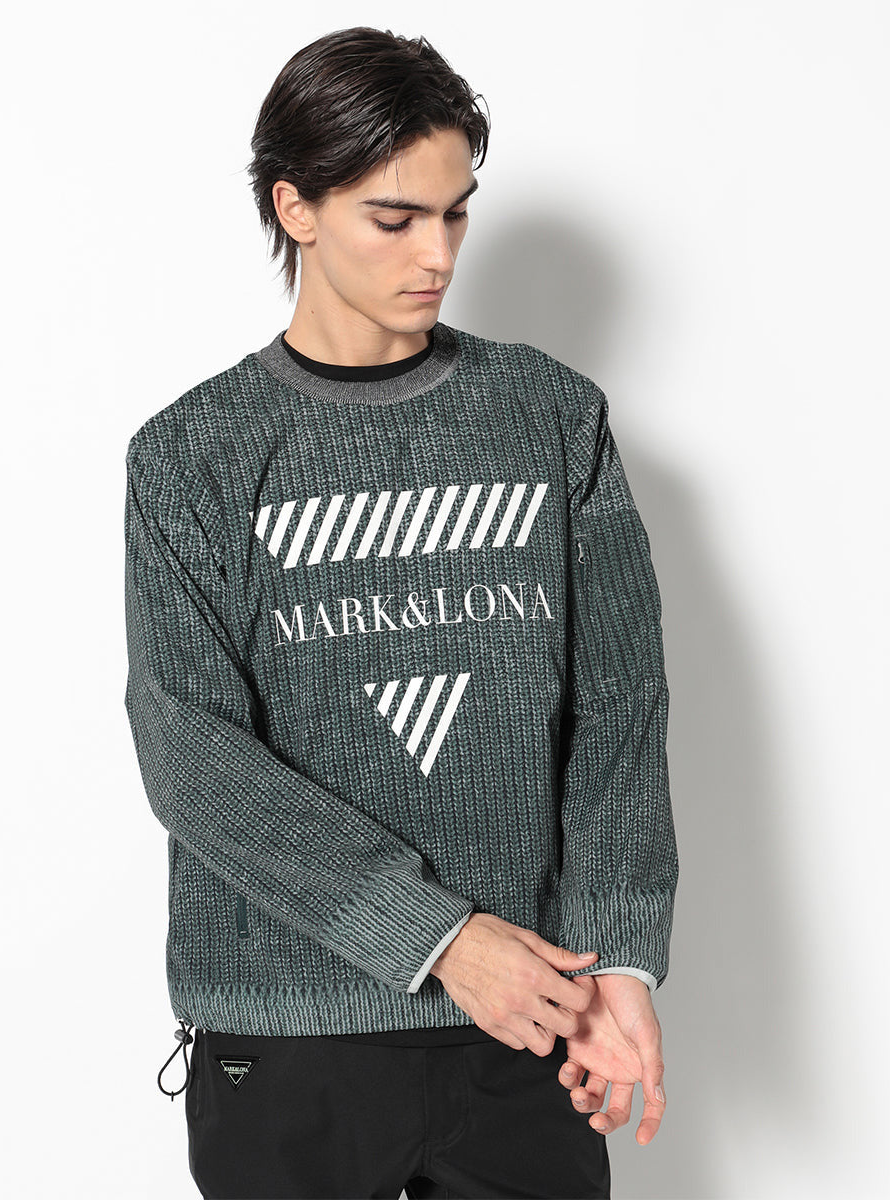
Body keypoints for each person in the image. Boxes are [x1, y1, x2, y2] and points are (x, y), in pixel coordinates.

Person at [123, 25, 679, 1200]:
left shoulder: (550, 418)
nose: (437, 253)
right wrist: (434, 936)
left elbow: (618, 709)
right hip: (289, 1034)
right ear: (296, 207)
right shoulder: (192, 455)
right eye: (395, 218)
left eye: (456, 214)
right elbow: (187, 747)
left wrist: (620, 958)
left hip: (530, 1022)